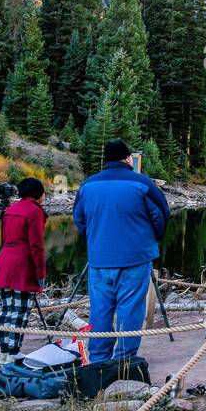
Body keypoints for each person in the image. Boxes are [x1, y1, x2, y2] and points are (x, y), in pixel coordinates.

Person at [73, 139, 170, 365]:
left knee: (100, 309)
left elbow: (79, 219)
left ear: (106, 159)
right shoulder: (143, 183)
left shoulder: (88, 185)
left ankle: (98, 360)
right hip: (135, 257)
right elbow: (161, 216)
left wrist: (96, 239)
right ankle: (124, 361)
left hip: (99, 259)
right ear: (128, 159)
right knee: (130, 309)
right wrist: (152, 239)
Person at [0, 177, 47, 365]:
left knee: (7, 310)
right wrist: (40, 273)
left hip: (5, 261)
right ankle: (13, 352)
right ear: (37, 193)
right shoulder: (34, 211)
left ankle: (3, 351)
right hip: (23, 265)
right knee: (20, 311)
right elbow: (36, 245)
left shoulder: (10, 210)